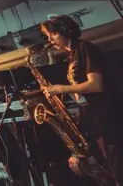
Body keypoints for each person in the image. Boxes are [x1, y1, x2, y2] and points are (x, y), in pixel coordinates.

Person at [40, 15, 120, 184]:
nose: (50, 39)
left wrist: (61, 88)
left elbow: (95, 85)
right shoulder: (71, 55)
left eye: (53, 34)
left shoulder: (85, 48)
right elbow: (80, 91)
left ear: (65, 31)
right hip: (92, 116)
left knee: (116, 163)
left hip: (105, 115)